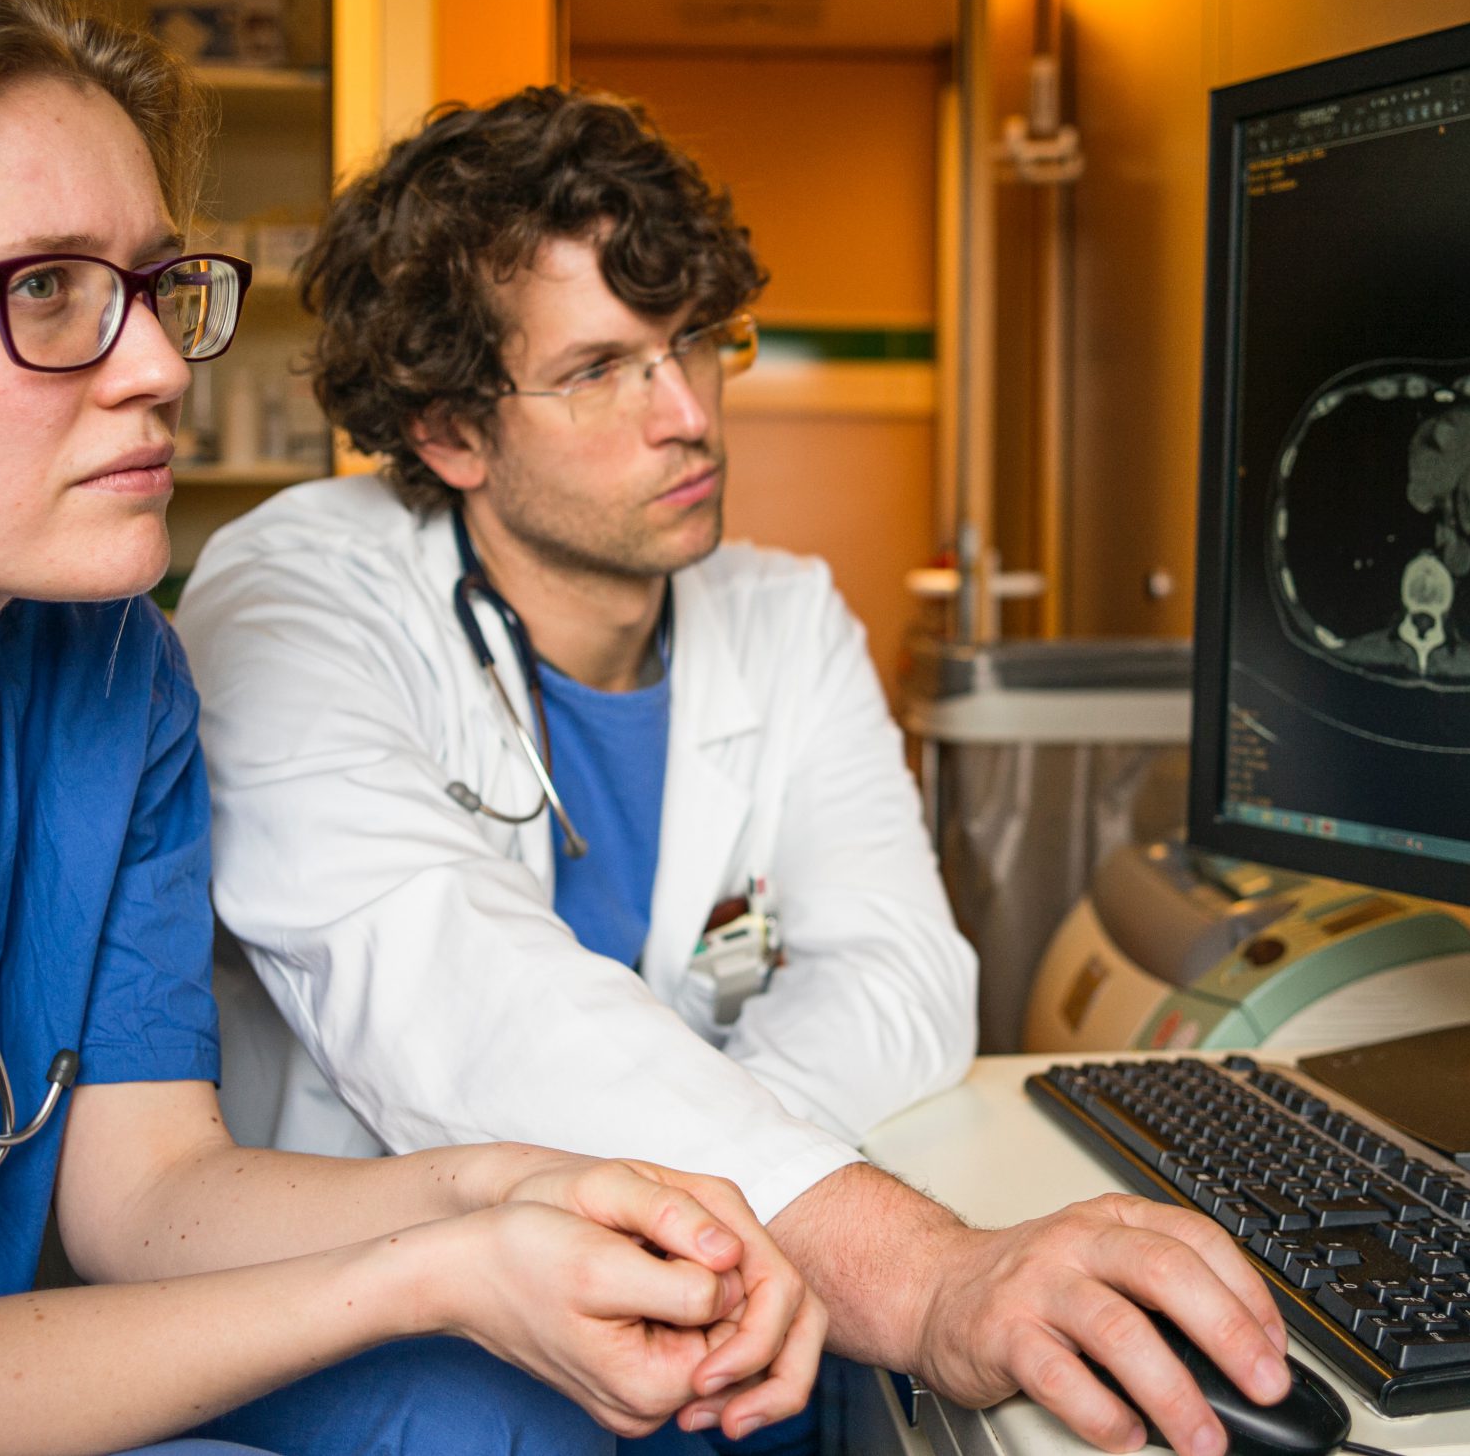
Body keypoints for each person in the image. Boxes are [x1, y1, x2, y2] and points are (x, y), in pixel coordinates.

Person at [0, 0, 820, 1456]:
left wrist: (506, 1192)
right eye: (45, 290)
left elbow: (144, 1195)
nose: (157, 367)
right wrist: (430, 1269)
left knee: (519, 1419)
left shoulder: (106, 665)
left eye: (154, 284)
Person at [177, 87, 1293, 1456]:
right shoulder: (290, 599)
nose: (687, 414)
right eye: (599, 370)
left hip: (721, 1305)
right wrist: (888, 1254)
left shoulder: (783, 615)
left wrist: (714, 1204)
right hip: (403, 1315)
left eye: (696, 344)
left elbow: (902, 971)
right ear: (449, 429)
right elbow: (450, 991)